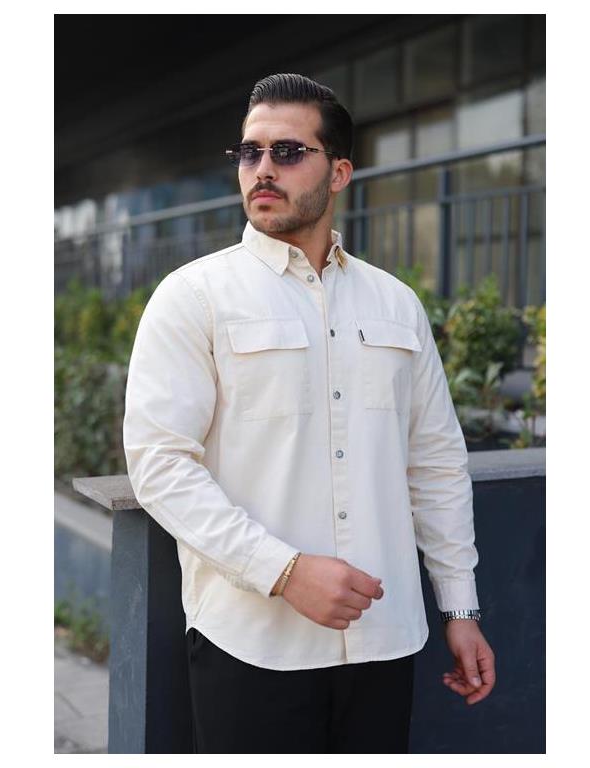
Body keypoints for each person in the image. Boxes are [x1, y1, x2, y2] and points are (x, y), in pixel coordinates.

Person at [123, 73, 495, 754]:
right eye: (250, 152)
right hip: (251, 644)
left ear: (340, 172)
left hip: (384, 641)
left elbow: (435, 462)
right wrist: (285, 571)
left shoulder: (395, 303)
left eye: (288, 152)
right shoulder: (193, 296)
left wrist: (460, 607)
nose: (262, 169)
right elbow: (160, 466)